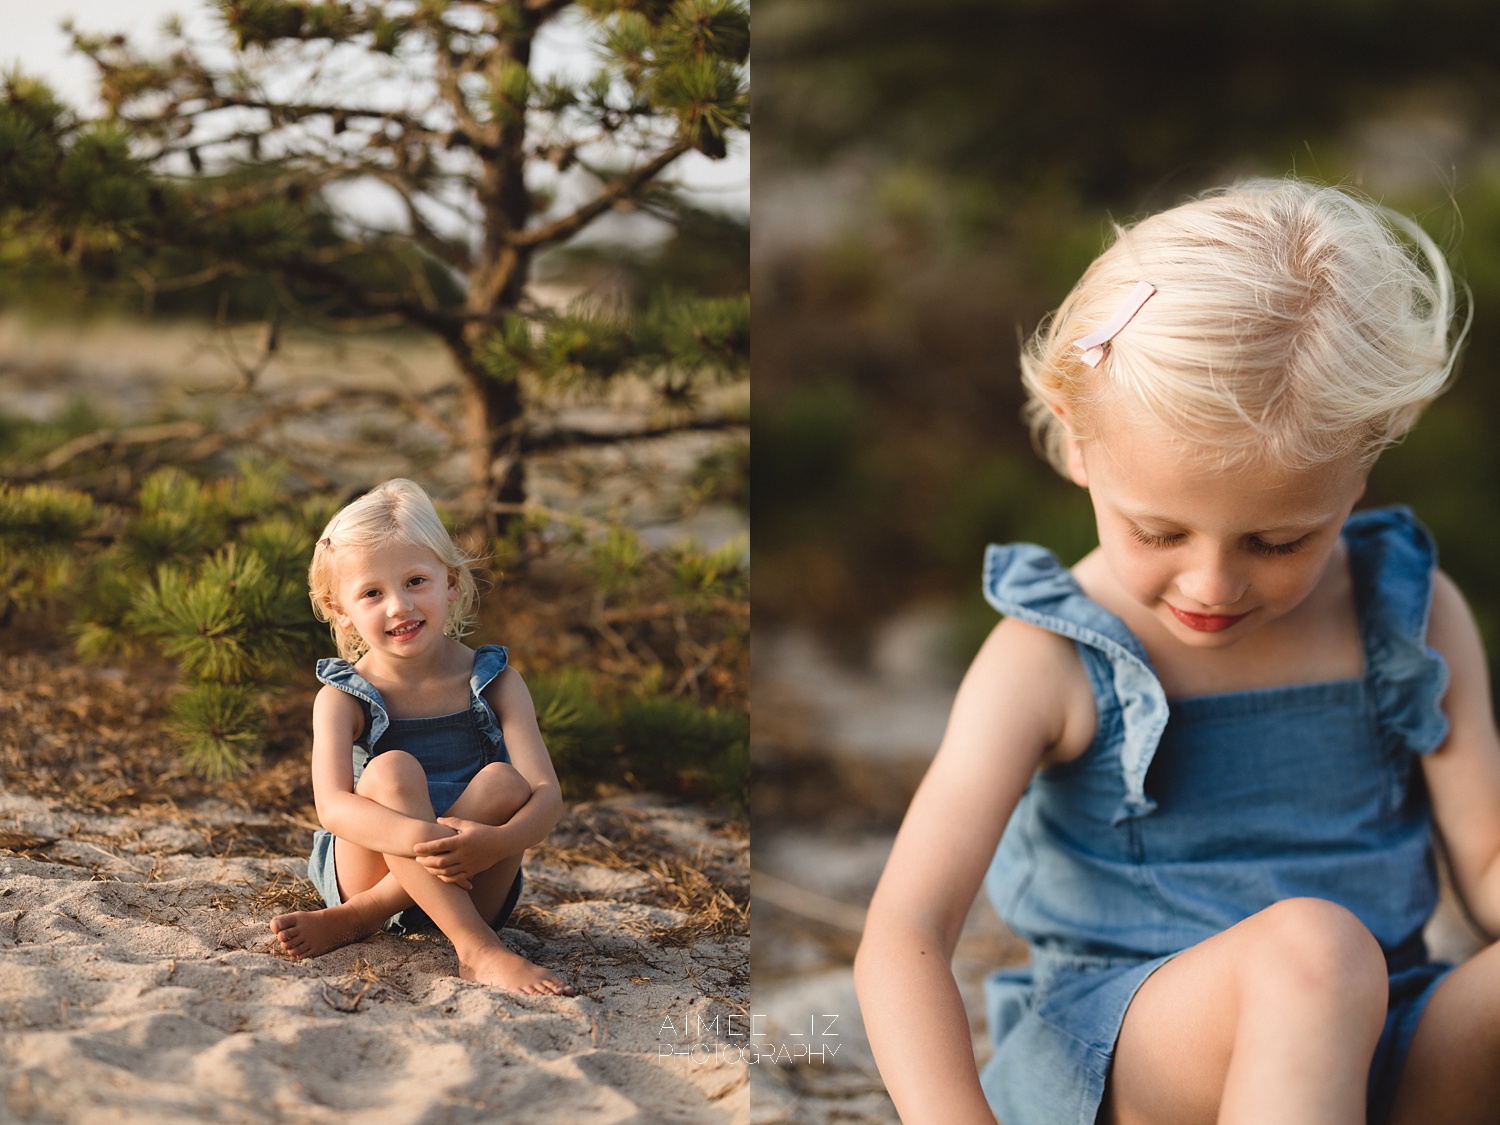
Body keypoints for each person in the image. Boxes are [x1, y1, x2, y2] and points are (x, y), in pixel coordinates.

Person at [854, 178, 1500, 1124]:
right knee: (1316, 952)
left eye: (1278, 542)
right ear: (1078, 444)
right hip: (1136, 1053)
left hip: (1382, 1044)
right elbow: (905, 930)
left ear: (1360, 467)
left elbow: (1485, 858)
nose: (1213, 585)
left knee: (1357, 968)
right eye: (1159, 533)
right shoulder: (1052, 655)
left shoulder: (1409, 614)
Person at [269, 478, 575, 996]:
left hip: (475, 875)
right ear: (340, 608)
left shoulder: (496, 680)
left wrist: (494, 842)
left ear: (450, 581)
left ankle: (361, 917)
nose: (398, 606)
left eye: (415, 581)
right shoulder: (343, 696)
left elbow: (549, 798)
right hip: (365, 869)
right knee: (392, 769)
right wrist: (425, 841)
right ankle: (476, 950)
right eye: (372, 593)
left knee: (505, 780)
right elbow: (333, 808)